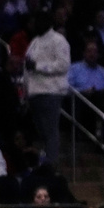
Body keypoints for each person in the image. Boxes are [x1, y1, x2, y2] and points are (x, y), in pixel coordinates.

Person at [24, 10, 71, 165]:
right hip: (34, 92)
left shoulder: (58, 40)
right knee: (41, 132)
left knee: (50, 131)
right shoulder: (34, 42)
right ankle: (45, 160)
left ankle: (50, 166)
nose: (34, 25)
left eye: (36, 21)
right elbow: (27, 68)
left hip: (51, 91)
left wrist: (38, 66)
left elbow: (63, 65)